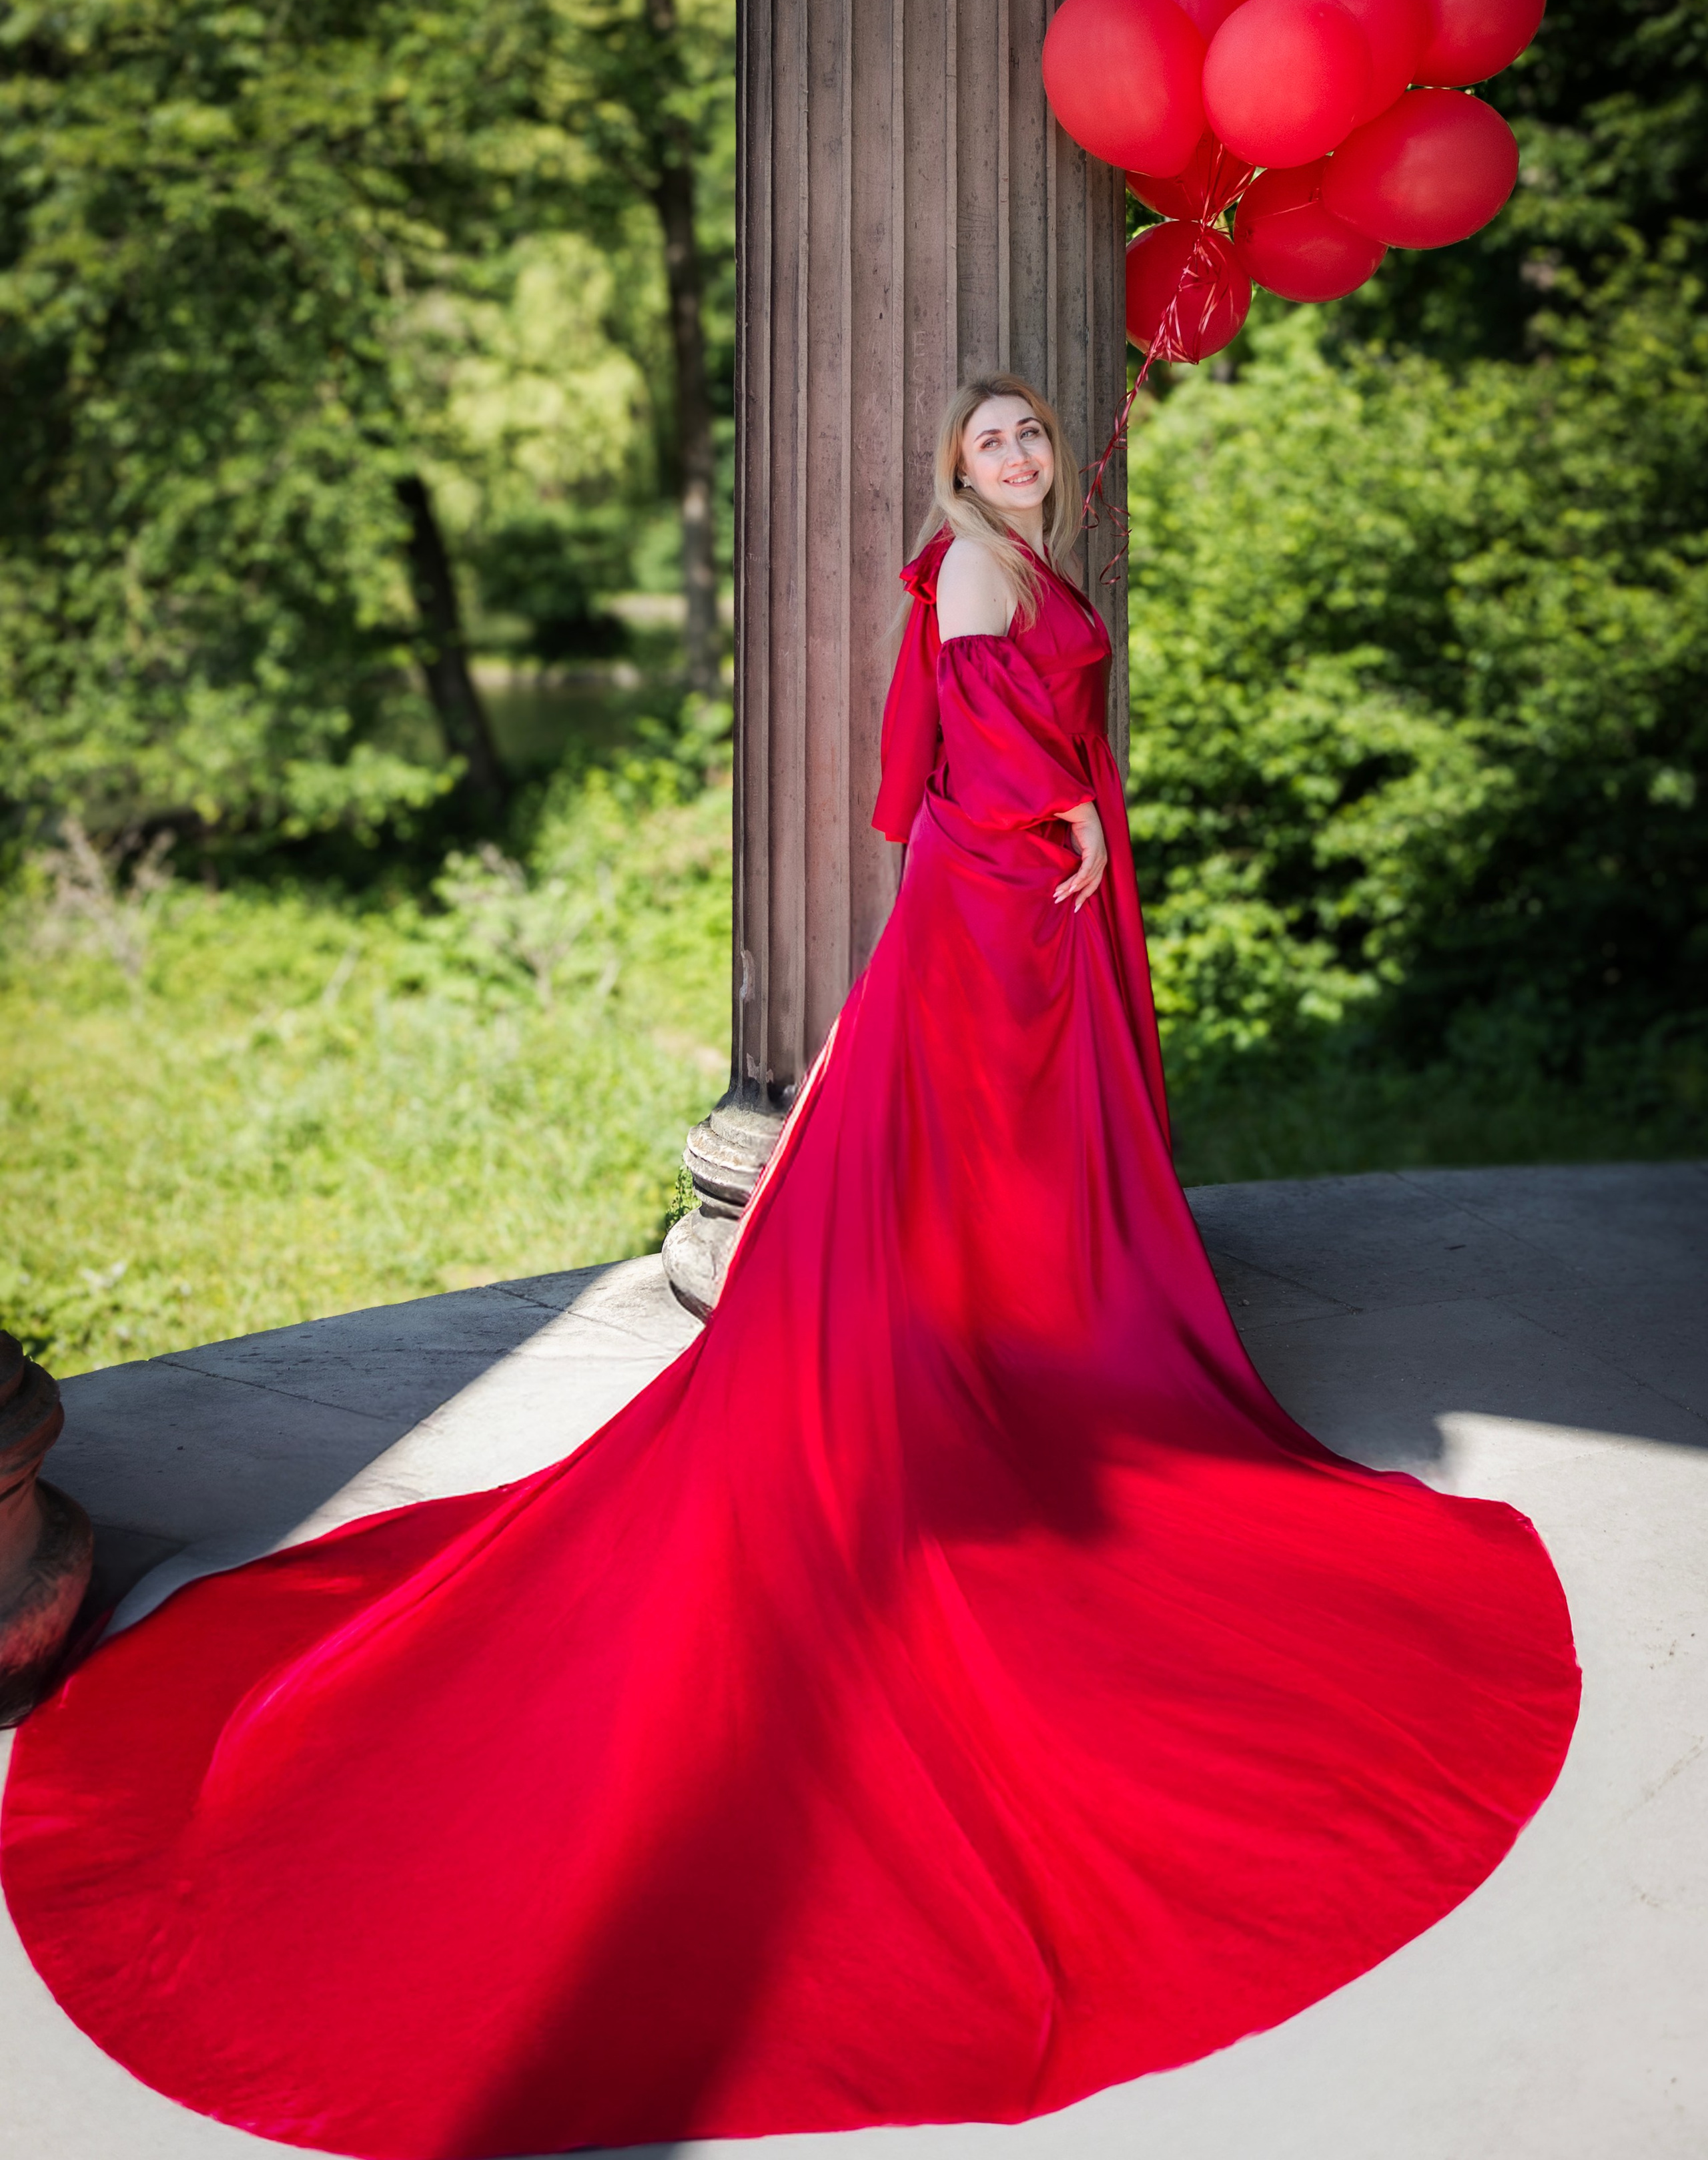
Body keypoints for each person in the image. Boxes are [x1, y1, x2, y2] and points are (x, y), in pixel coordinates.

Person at [1, 374, 1579, 2160]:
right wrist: (1058, 827)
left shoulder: (1015, 555)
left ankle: (1012, 1346)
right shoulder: (976, 574)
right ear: (952, 468)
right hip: (994, 921)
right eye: (990, 442)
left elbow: (998, 746)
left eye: (1032, 439)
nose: (1016, 460)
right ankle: (987, 1375)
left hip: (1020, 911)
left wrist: (1075, 812)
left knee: (1003, 1188)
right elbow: (969, 780)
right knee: (968, 1173)